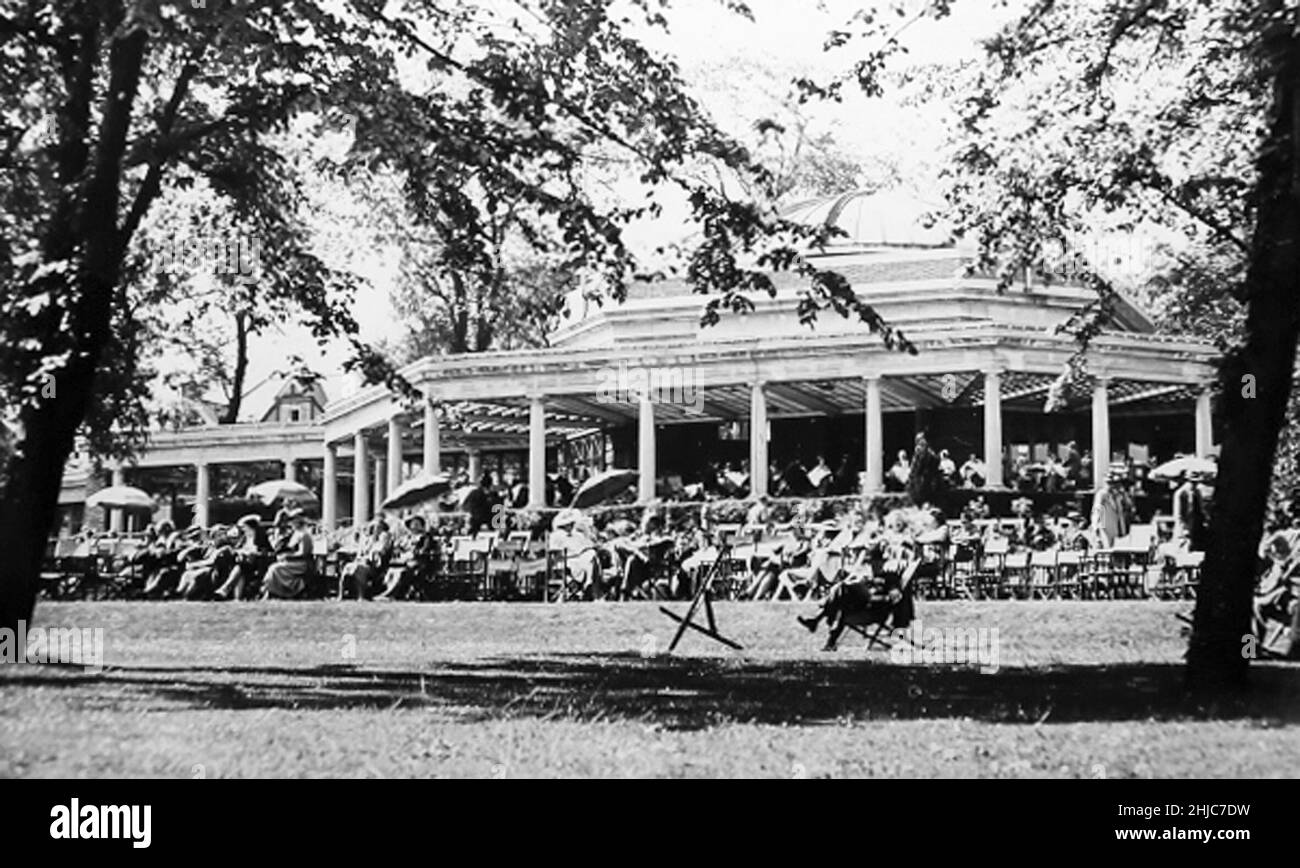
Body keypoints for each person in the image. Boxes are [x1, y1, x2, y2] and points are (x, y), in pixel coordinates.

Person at [797, 542, 919, 651]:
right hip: (859, 607)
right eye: (870, 561)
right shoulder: (870, 575)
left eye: (875, 561)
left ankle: (818, 622)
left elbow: (893, 598)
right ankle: (825, 636)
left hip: (874, 611)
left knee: (842, 591)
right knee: (842, 597)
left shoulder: (890, 577)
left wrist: (873, 593)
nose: (873, 565)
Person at [376, 515, 438, 600]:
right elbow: (398, 547)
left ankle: (390, 595)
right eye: (413, 523)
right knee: (391, 572)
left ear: (421, 525)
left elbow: (425, 549)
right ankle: (387, 592)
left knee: (401, 572)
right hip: (401, 561)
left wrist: (415, 552)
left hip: (417, 562)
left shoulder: (426, 537)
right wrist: (398, 550)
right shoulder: (406, 537)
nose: (414, 525)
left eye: (417, 523)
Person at [214, 515, 273, 600]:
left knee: (240, 568)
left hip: (257, 564)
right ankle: (236, 597)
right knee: (240, 570)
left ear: (251, 527)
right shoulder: (245, 538)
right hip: (245, 563)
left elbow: (266, 552)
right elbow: (237, 549)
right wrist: (240, 552)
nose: (243, 529)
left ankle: (225, 589)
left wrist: (253, 553)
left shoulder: (261, 539)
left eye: (245, 527)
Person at [261, 510, 315, 599]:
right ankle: (271, 591)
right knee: (273, 568)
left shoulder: (304, 535)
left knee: (275, 569)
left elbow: (303, 553)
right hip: (293, 562)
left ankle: (276, 592)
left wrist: (287, 556)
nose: (291, 523)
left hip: (302, 564)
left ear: (298, 521)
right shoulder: (295, 534)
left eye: (293, 520)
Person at [339, 518, 393, 600]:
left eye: (378, 527)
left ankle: (361, 595)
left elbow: (380, 551)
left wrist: (369, 555)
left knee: (359, 569)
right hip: (362, 562)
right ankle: (341, 595)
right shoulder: (369, 539)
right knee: (347, 567)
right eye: (373, 527)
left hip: (375, 566)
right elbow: (362, 551)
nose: (375, 529)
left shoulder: (384, 538)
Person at [1090, 464, 1134, 548]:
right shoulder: (1102, 494)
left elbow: (1124, 509)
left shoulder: (1117, 495)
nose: (1111, 485)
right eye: (1109, 483)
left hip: (1116, 529)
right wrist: (1095, 525)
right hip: (1105, 528)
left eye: (1113, 483)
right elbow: (1097, 510)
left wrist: (1124, 494)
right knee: (1107, 549)